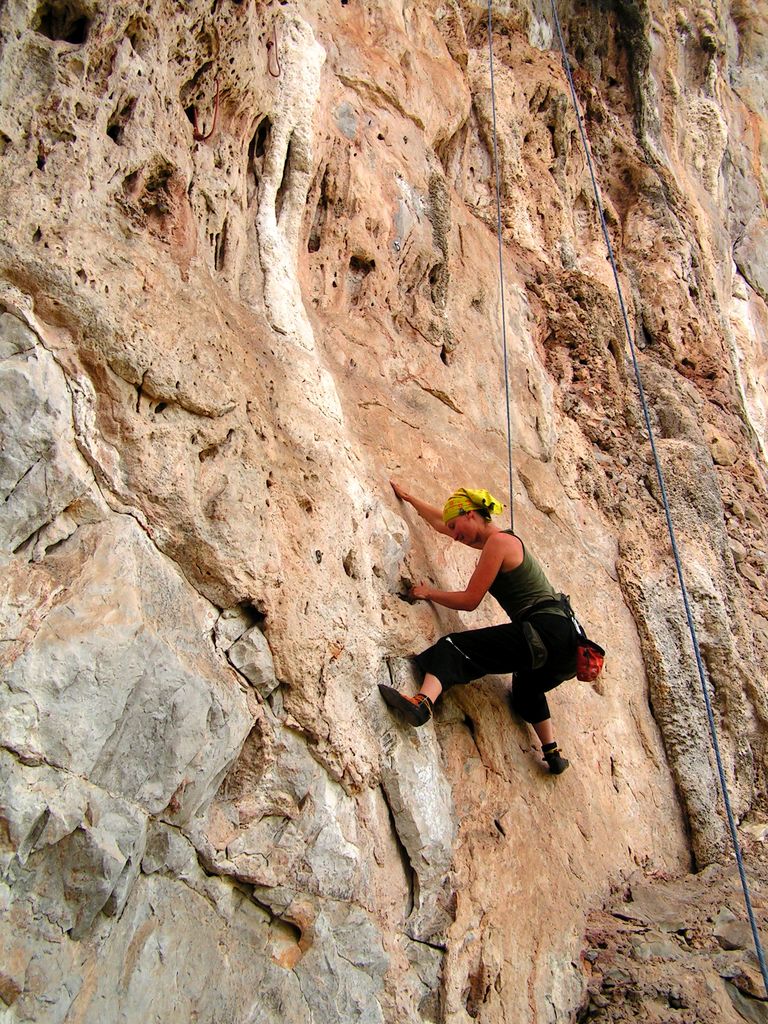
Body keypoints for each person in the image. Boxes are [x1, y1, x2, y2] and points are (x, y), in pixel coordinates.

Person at [380, 483, 578, 774]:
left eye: (457, 526)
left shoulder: (498, 543)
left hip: (544, 630)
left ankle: (422, 702)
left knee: (454, 647)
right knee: (526, 690)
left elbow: (470, 601)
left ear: (471, 514)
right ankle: (553, 753)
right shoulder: (493, 541)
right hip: (567, 645)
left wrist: (428, 593)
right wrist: (410, 499)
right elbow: (441, 523)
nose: (455, 535)